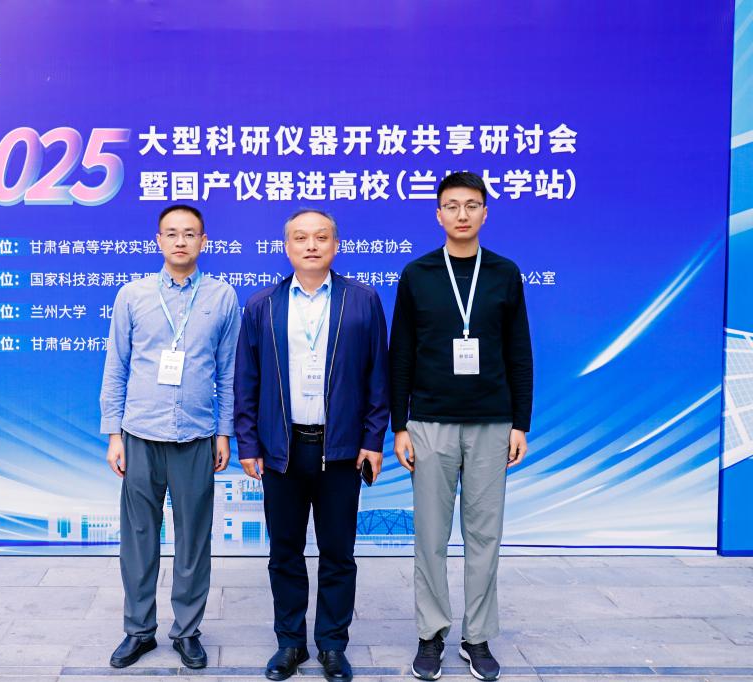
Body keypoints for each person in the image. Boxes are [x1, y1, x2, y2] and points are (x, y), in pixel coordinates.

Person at [389, 171, 533, 682]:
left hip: (492, 423)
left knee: (484, 535)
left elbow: (519, 352)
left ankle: (477, 637)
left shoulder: (505, 273)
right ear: (438, 214)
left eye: (472, 205)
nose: (462, 214)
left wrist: (520, 423)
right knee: (430, 535)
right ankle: (431, 633)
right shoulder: (418, 273)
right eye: (452, 205)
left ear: (485, 213)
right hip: (430, 422)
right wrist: (399, 425)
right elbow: (401, 353)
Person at [234, 209, 389, 682]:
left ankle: (332, 646)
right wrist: (248, 443)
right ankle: (290, 643)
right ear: (287, 247)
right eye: (301, 238)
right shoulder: (263, 305)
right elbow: (247, 379)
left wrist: (372, 439)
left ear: (335, 245)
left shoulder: (362, 300)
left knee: (338, 553)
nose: (311, 245)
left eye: (321, 237)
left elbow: (377, 376)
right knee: (285, 552)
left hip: (341, 449)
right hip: (282, 449)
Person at [99, 204, 241, 669]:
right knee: (139, 538)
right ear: (158, 241)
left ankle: (187, 631)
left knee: (193, 539)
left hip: (197, 436)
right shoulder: (133, 295)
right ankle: (138, 630)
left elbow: (228, 372)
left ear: (204, 241)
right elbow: (116, 366)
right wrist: (114, 434)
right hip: (140, 434)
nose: (181, 241)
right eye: (172, 233)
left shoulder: (222, 296)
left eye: (190, 234)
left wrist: (224, 432)